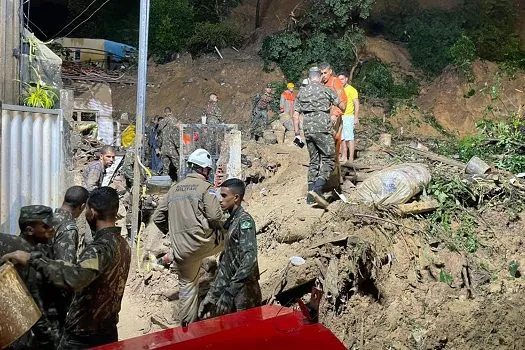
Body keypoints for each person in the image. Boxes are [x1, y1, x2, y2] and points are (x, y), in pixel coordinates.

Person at [3, 187, 131, 349]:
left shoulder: (99, 249)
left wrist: (32, 259)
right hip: (107, 332)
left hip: (82, 337)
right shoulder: (123, 244)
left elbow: (75, 277)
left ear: (92, 212)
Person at [152, 148, 224, 326]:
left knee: (187, 288)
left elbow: (157, 217)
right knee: (232, 236)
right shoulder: (206, 188)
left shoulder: (173, 189)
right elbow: (215, 217)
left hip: (182, 251)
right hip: (204, 244)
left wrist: (174, 233)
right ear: (205, 170)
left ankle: (186, 331)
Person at [199, 178, 261, 319]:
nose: (220, 200)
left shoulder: (244, 221)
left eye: (224, 196)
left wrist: (230, 292)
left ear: (236, 198)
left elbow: (249, 260)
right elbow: (227, 265)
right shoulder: (232, 222)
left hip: (246, 294)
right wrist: (212, 296)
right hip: (234, 292)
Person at [0, 206, 59, 349]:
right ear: (29, 230)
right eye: (46, 226)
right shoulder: (26, 257)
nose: (51, 230)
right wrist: (48, 340)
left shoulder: (10, 243)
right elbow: (34, 303)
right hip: (20, 330)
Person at [293, 67, 345, 208]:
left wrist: (297, 134)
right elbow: (341, 105)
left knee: (314, 160)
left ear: (309, 77)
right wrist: (339, 108)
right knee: (329, 159)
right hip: (323, 128)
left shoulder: (302, 92)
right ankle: (318, 187)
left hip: (308, 129)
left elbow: (295, 115)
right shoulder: (326, 90)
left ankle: (310, 196)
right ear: (320, 77)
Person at [46, 186, 89, 331]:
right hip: (52, 300)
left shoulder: (47, 218)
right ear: (82, 206)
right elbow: (65, 271)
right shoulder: (68, 228)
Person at [338, 71, 360, 162]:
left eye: (342, 79)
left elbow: (356, 103)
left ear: (346, 79)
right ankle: (344, 156)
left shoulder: (352, 90)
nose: (341, 81)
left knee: (350, 137)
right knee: (342, 137)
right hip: (340, 116)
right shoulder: (338, 89)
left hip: (348, 116)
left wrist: (356, 117)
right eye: (339, 80)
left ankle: (351, 157)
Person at [158, 107, 180, 182]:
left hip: (163, 149)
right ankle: (180, 182)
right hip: (172, 148)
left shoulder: (161, 122)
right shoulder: (174, 121)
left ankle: (165, 185)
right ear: (171, 112)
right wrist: (179, 146)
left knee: (165, 169)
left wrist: (159, 147)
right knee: (179, 167)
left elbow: (159, 137)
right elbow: (176, 135)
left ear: (164, 113)